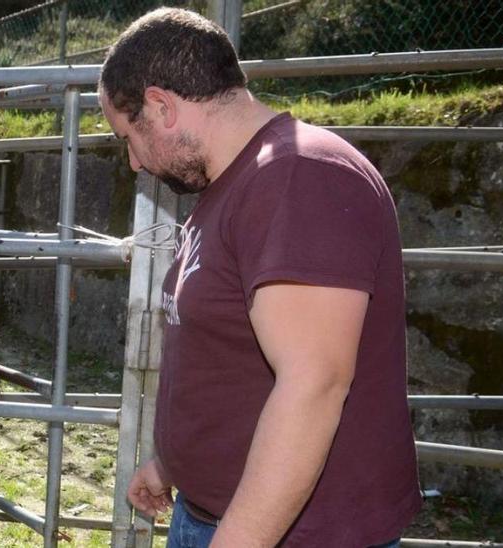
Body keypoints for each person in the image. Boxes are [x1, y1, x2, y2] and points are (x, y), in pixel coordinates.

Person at [97, 8, 421, 548]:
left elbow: (312, 386)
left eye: (128, 136)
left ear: (161, 106)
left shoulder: (300, 177)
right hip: (220, 516)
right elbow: (229, 353)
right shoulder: (236, 183)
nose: (133, 162)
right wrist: (173, 462)